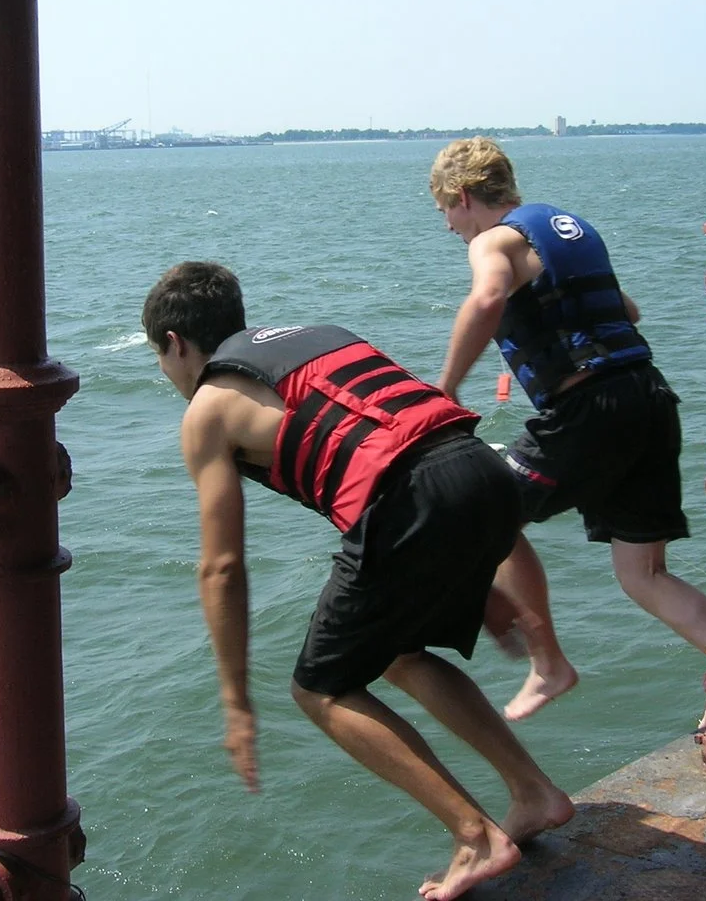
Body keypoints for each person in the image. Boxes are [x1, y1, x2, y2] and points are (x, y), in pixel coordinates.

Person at [142, 262, 573, 901]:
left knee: (321, 690)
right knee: (397, 653)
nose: (166, 372)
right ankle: (533, 794)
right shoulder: (324, 335)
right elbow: (403, 432)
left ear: (175, 343)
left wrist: (236, 702)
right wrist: (467, 568)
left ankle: (475, 836)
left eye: (160, 357)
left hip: (414, 499)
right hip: (483, 474)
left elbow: (223, 567)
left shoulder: (209, 408)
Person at [428, 137, 706, 730]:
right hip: (649, 398)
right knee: (643, 574)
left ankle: (548, 665)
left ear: (465, 196)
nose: (449, 226)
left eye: (446, 211)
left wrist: (446, 387)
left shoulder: (493, 240)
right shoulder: (568, 227)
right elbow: (627, 311)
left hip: (591, 410)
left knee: (482, 510)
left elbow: (488, 296)